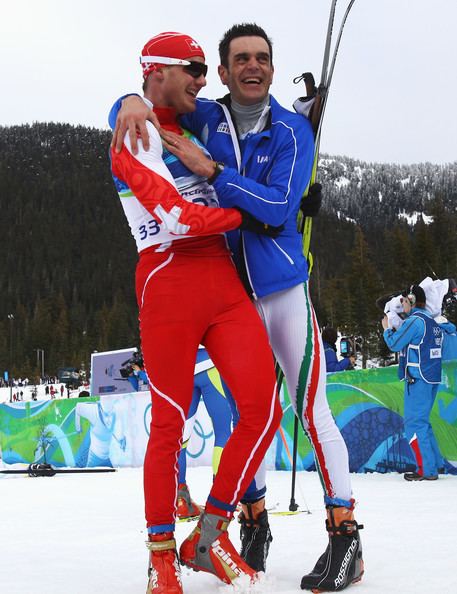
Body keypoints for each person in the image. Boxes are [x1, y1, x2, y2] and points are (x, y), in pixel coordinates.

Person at [112, 23, 364, 592]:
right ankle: (247, 520)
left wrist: (221, 177)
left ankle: (346, 535)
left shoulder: (295, 131)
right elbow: (155, 103)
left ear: (271, 67)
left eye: (262, 59)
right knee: (248, 413)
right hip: (225, 288)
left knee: (306, 410)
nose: (252, 67)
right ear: (225, 73)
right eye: (237, 61)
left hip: (279, 288)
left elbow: (275, 210)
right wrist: (125, 100)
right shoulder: (208, 118)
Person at [109, 31, 283, 594]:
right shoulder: (133, 133)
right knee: (168, 424)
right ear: (159, 70)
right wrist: (247, 217)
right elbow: (178, 219)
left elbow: (246, 116)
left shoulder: (190, 126)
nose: (203, 79)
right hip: (167, 279)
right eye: (194, 68)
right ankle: (162, 555)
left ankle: (207, 535)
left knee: (263, 409)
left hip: (221, 282)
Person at [382, 284, 444, 481]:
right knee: (423, 423)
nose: (402, 305)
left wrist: (386, 330)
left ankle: (426, 469)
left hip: (417, 378)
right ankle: (435, 464)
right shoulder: (431, 322)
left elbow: (394, 343)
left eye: (404, 301)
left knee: (414, 424)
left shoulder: (415, 321)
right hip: (431, 377)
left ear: (412, 300)